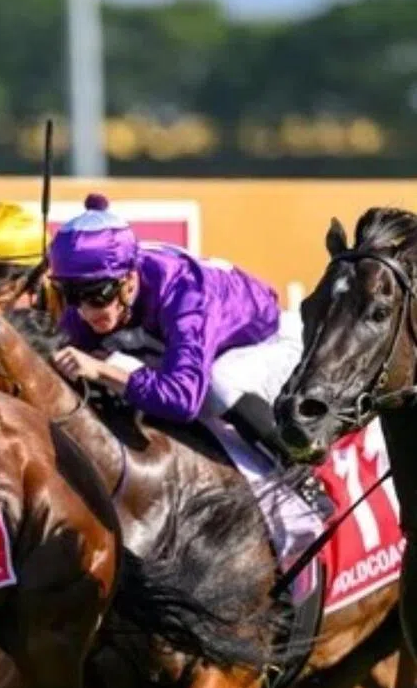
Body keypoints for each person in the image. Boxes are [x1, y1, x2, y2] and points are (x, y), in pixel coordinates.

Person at [45, 194, 333, 516]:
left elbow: (184, 400)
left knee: (217, 384)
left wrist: (103, 370)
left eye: (97, 295)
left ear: (129, 279)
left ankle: (301, 475)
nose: (85, 310)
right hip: (189, 349)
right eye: (71, 295)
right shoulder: (88, 305)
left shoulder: (183, 292)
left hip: (266, 343)